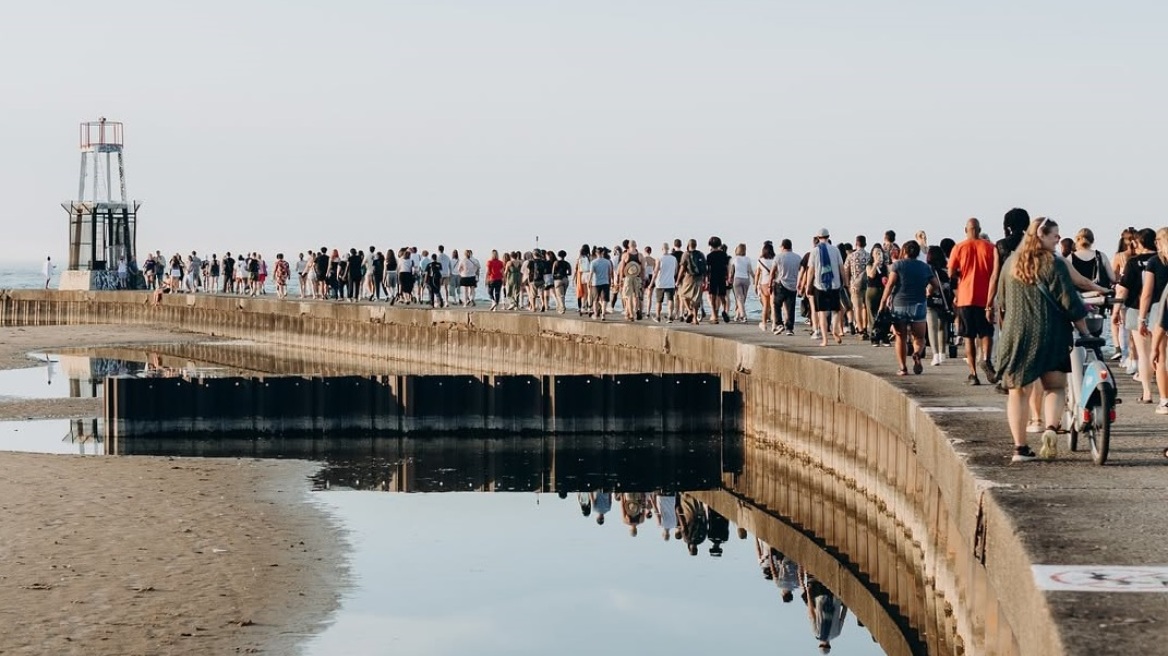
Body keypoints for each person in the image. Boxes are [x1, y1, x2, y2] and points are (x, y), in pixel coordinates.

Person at [996, 218, 1090, 462]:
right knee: (1055, 386)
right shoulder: (1053, 263)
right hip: (1052, 334)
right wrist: (1086, 331)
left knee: (1017, 392)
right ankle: (1050, 429)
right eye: (1054, 235)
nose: (1058, 239)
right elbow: (1070, 302)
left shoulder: (1010, 264)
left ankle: (1020, 448)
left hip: (1016, 335)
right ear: (1041, 236)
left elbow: (1002, 301)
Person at [949, 218, 998, 384]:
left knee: (968, 336)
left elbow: (951, 273)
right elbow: (995, 273)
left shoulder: (959, 247)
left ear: (966, 230)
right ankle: (986, 358)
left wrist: (961, 277)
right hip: (985, 298)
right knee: (986, 332)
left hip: (965, 298)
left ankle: (973, 374)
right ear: (979, 229)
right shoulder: (990, 248)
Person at [878, 240, 939, 375]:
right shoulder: (924, 267)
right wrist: (928, 291)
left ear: (903, 251)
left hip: (899, 304)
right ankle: (917, 353)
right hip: (918, 304)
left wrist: (882, 303)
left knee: (900, 337)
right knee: (920, 337)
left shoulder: (897, 265)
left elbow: (890, 285)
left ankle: (903, 368)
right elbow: (935, 285)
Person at [1137, 227, 1168, 414]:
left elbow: (1147, 293)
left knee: (1161, 357)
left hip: (1159, 310)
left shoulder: (1154, 262)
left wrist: (1141, 318)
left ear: (1158, 242)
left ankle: (1165, 400)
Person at [806, 228, 844, 346]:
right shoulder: (835, 250)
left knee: (822, 313)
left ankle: (825, 340)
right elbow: (841, 267)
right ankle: (834, 329)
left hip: (820, 285)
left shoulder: (814, 251)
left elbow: (811, 270)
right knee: (836, 310)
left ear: (818, 238)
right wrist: (845, 281)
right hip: (835, 284)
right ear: (828, 237)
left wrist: (808, 285)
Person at [649, 242, 678, 322]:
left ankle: (658, 317)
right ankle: (670, 316)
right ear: (668, 249)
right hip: (670, 282)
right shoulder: (673, 259)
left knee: (659, 301)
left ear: (662, 249)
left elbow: (655, 271)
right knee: (670, 300)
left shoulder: (659, 258)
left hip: (660, 283)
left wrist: (651, 283)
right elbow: (676, 271)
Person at [754, 241, 777, 332]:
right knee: (773, 305)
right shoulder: (775, 260)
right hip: (773, 284)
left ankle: (763, 323)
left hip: (763, 284)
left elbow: (757, 274)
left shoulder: (760, 260)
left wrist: (755, 285)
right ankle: (774, 324)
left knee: (765, 306)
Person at [729, 243, 753, 323]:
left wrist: (730, 278)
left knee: (739, 298)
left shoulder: (734, 259)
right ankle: (737, 315)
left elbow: (732, 271)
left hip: (737, 279)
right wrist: (755, 279)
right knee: (743, 299)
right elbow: (750, 270)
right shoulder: (748, 259)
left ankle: (743, 315)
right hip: (746, 279)